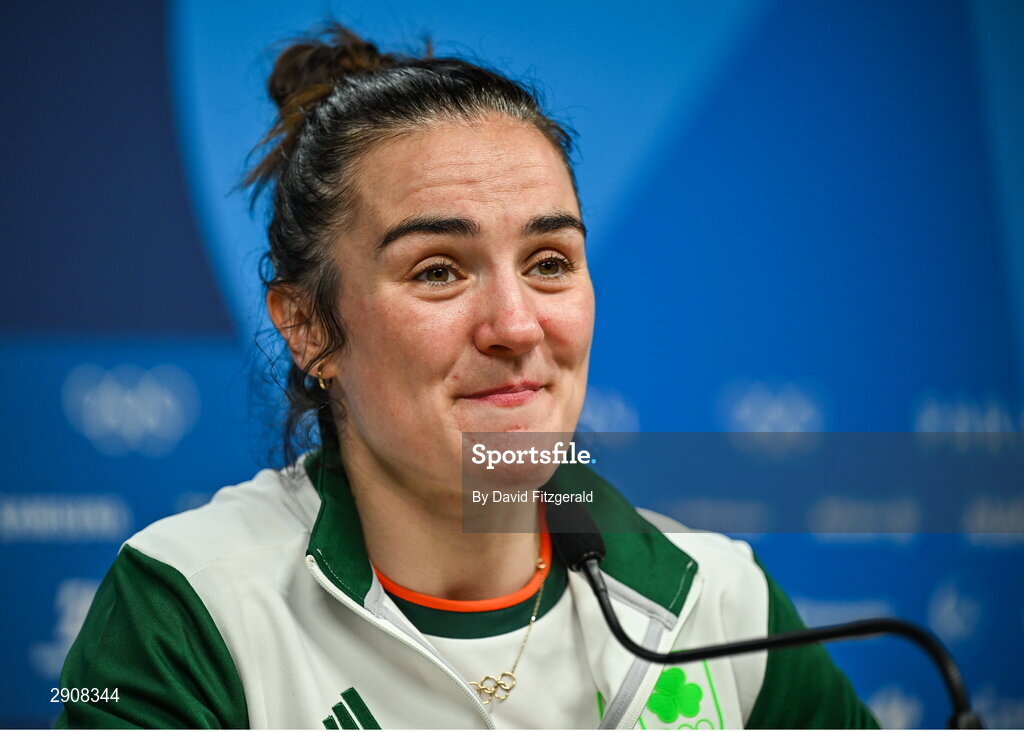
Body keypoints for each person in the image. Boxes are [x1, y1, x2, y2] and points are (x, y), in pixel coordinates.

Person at [57, 24, 879, 730]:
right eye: (440, 271)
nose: (517, 326)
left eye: (550, 262)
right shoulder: (186, 607)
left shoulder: (718, 603)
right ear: (308, 326)